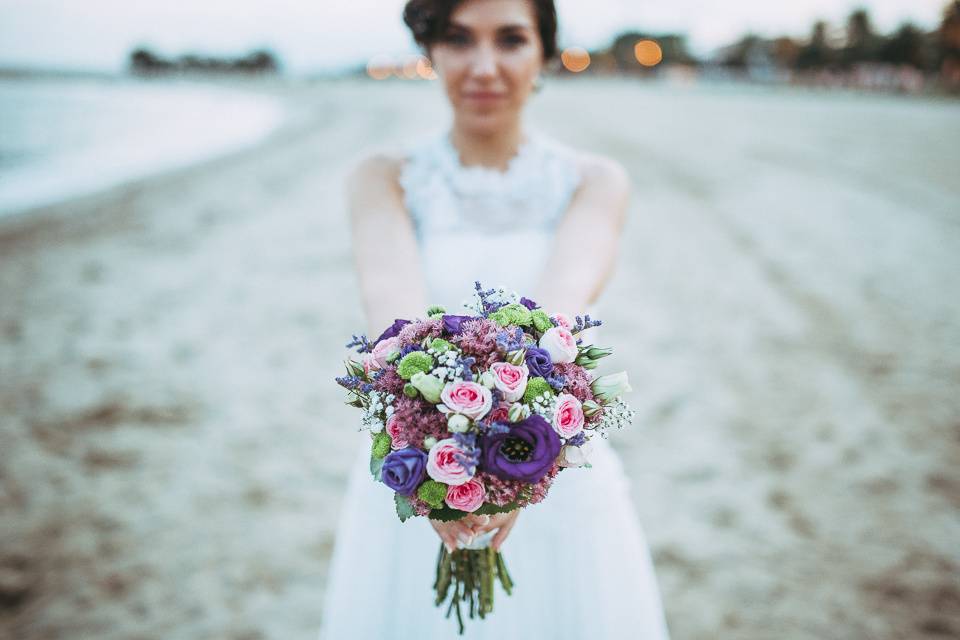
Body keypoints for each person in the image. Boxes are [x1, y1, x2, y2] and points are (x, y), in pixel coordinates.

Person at [320, 0, 671, 637]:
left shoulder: (595, 181)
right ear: (431, 51)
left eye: (510, 40)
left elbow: (556, 321)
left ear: (544, 53)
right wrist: (434, 465)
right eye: (459, 39)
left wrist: (510, 473)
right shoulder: (383, 178)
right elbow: (394, 319)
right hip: (418, 459)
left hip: (556, 470)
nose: (484, 66)